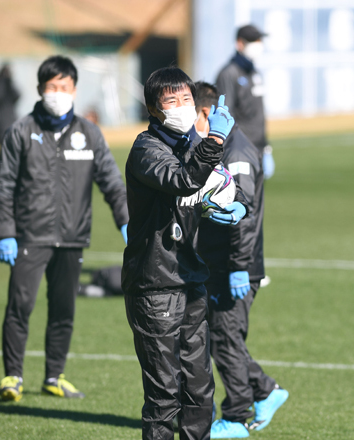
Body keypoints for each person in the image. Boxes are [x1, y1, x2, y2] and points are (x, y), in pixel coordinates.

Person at [0, 55, 129, 401]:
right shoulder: (21, 132)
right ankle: (12, 376)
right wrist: (5, 231)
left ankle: (54, 375)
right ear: (40, 90)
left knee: (63, 310)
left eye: (64, 87)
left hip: (72, 238)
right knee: (20, 306)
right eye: (51, 87)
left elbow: (112, 183)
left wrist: (127, 221)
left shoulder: (89, 133)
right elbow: (3, 185)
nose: (58, 93)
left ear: (74, 89)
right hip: (29, 236)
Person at [122, 66, 246, 440]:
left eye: (187, 99)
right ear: (154, 109)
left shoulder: (192, 146)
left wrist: (237, 203)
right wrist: (216, 140)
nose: (182, 107)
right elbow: (183, 180)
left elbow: (219, 181)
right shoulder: (146, 150)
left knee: (199, 389)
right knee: (164, 396)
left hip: (191, 277)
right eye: (171, 101)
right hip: (155, 283)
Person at [194, 82, 288, 438]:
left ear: (205, 113)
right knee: (221, 337)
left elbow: (243, 214)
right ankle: (265, 391)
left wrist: (237, 266)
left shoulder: (235, 151)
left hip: (236, 265)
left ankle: (236, 417)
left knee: (225, 338)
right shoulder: (220, 146)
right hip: (218, 262)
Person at [216, 24, 275, 180]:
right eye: (253, 41)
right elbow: (225, 114)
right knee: (242, 200)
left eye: (259, 40)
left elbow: (257, 115)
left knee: (257, 202)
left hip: (259, 148)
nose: (258, 45)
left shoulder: (254, 73)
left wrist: (266, 148)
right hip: (240, 149)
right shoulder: (229, 74)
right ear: (240, 44)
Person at [0, 63, 20, 146]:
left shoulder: (9, 83)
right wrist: (2, 82)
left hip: (9, 115)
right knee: (1, 138)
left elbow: (17, 95)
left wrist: (9, 82)